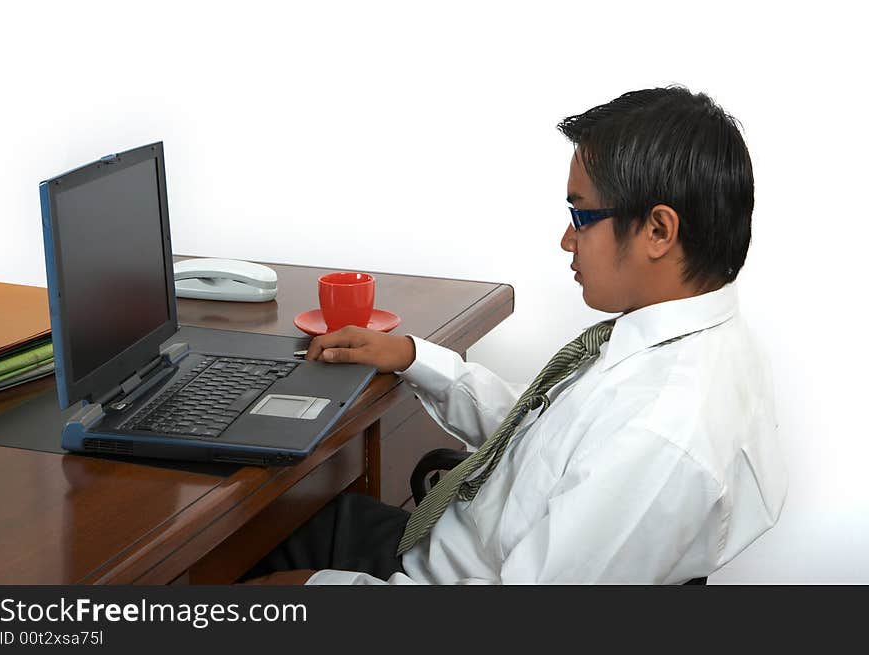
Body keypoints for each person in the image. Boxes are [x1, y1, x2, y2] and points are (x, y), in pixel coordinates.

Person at [244, 85, 787, 585]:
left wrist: (316, 591)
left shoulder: (660, 433)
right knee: (278, 519)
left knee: (222, 562)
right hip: (451, 544)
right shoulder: (685, 343)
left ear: (658, 231)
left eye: (581, 214)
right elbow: (545, 444)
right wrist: (414, 358)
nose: (566, 239)